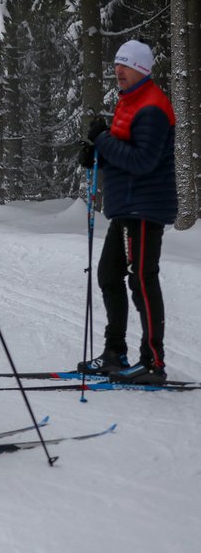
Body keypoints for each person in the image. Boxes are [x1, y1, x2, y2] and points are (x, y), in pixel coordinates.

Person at [76, 40, 176, 385]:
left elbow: (142, 161)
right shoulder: (129, 104)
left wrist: (102, 141)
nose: (118, 70)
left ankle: (153, 362)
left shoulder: (151, 107)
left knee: (142, 280)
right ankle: (114, 353)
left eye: (126, 65)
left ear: (143, 70)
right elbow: (124, 150)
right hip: (127, 207)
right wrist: (95, 154)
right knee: (108, 275)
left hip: (144, 207)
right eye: (117, 65)